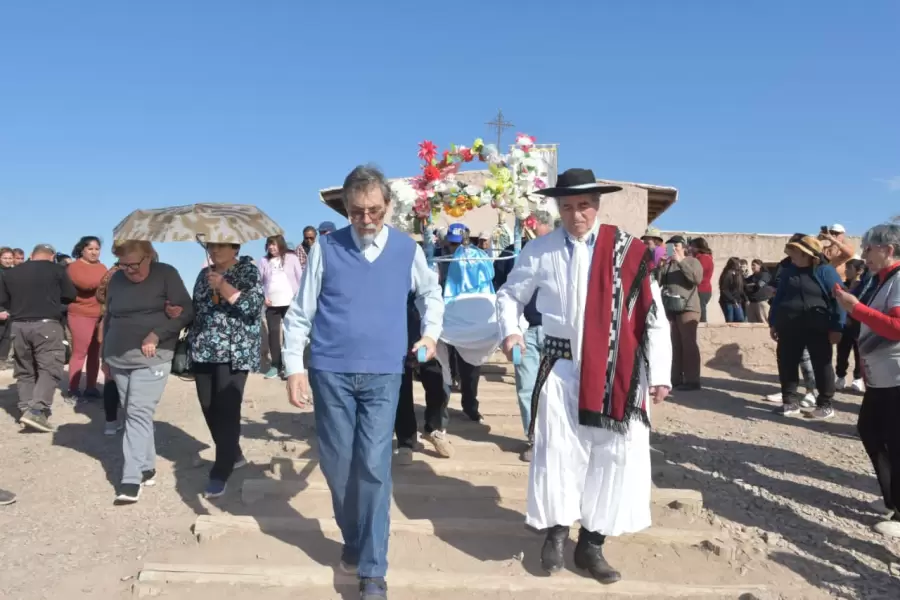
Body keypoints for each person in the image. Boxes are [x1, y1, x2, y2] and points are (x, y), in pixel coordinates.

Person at [496, 168, 672, 585]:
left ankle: (592, 544)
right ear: (558, 208)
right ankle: (557, 532)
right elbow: (510, 295)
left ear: (597, 205)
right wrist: (511, 330)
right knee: (558, 451)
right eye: (568, 206)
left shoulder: (627, 251)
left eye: (584, 206)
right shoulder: (540, 250)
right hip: (561, 367)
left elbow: (653, 315)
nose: (577, 215)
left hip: (617, 370)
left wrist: (660, 372)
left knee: (613, 456)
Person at [283, 165, 443, 600]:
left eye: (374, 210)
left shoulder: (407, 249)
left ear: (388, 205)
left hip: (384, 373)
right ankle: (352, 536)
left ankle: (373, 569)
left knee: (373, 465)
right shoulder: (327, 248)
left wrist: (430, 334)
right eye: (356, 212)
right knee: (338, 465)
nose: (366, 219)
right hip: (330, 371)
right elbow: (300, 311)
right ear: (347, 209)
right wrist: (294, 367)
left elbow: (430, 294)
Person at [103, 240, 194, 503]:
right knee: (133, 413)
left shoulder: (166, 273)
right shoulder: (116, 279)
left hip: (153, 356)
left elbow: (186, 312)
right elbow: (108, 317)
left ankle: (130, 479)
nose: (129, 270)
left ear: (149, 257)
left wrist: (158, 333)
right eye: (123, 265)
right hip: (118, 355)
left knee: (138, 413)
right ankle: (146, 467)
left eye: (134, 264)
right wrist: (104, 355)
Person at [833, 223, 900, 537]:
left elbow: (897, 327)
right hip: (881, 377)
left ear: (889, 249)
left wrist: (856, 308)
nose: (864, 254)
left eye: (869, 249)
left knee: (894, 443)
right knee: (871, 431)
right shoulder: (882, 279)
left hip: (896, 378)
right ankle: (892, 500)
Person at [188, 243, 264, 499]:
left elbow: (252, 306)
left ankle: (221, 470)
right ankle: (233, 453)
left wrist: (223, 285)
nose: (214, 250)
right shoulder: (203, 273)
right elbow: (197, 307)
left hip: (234, 350)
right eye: (211, 245)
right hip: (203, 348)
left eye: (220, 245)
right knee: (208, 405)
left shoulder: (247, 271)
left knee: (227, 409)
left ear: (235, 248)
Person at [493, 209, 557, 462]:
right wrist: (511, 326)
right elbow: (503, 285)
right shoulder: (516, 251)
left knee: (558, 389)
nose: (528, 230)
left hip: (557, 333)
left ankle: (557, 439)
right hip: (527, 330)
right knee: (527, 387)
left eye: (531, 225)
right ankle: (534, 438)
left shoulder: (562, 251)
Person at [0, 244, 76, 432]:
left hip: (18, 325)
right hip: (46, 324)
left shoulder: (12, 272)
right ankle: (36, 410)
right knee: (50, 368)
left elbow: (3, 300)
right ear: (52, 256)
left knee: (24, 369)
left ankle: (26, 409)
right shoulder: (57, 270)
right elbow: (70, 295)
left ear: (32, 255)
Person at [769, 235, 845, 419]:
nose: (791, 255)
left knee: (822, 365)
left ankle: (825, 405)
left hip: (817, 327)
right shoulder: (788, 271)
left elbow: (840, 300)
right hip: (789, 326)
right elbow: (779, 298)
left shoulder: (825, 272)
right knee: (787, 363)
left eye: (795, 251)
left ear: (807, 254)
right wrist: (774, 322)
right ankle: (790, 403)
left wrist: (837, 327)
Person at [394, 291, 452, 463]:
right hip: (398, 322)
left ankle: (433, 428)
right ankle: (406, 441)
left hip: (427, 326)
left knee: (436, 380)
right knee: (402, 387)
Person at [66, 236, 108, 400]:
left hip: (99, 314)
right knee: (79, 352)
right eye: (90, 249)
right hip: (80, 313)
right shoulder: (74, 267)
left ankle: (91, 387)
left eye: (97, 249)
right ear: (82, 250)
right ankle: (73, 388)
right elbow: (86, 284)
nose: (94, 252)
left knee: (95, 353)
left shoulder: (102, 267)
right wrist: (107, 279)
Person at [660, 235, 704, 390]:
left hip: (688, 308)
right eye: (670, 246)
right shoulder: (668, 264)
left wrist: (680, 261)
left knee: (688, 344)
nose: (673, 249)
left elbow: (696, 279)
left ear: (684, 247)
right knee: (674, 345)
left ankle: (692, 380)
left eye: (676, 246)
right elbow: (658, 281)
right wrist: (661, 265)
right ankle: (675, 379)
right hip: (671, 308)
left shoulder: (692, 261)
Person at [259, 234, 304, 379]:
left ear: (280, 244)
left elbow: (300, 278)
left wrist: (299, 299)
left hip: (290, 302)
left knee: (290, 334)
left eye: (274, 244)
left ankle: (288, 366)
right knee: (273, 333)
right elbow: (259, 282)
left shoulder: (292, 258)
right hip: (272, 303)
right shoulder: (264, 261)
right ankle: (275, 365)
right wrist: (264, 297)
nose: (271, 247)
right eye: (269, 244)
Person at [689, 237, 714, 323]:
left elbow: (697, 274)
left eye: (692, 246)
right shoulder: (701, 258)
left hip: (702, 289)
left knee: (701, 313)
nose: (690, 248)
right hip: (702, 289)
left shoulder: (704, 258)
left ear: (698, 247)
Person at [718, 257, 746, 323]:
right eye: (738, 263)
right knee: (730, 321)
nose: (740, 265)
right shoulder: (728, 274)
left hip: (737, 300)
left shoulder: (738, 274)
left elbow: (741, 288)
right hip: (728, 301)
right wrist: (733, 300)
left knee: (740, 319)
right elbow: (724, 289)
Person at [745, 259, 772, 323]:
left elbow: (759, 285)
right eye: (751, 265)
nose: (752, 267)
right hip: (751, 303)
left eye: (754, 265)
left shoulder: (765, 275)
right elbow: (744, 287)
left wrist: (751, 285)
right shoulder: (750, 278)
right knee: (752, 324)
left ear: (759, 266)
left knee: (765, 323)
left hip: (761, 303)